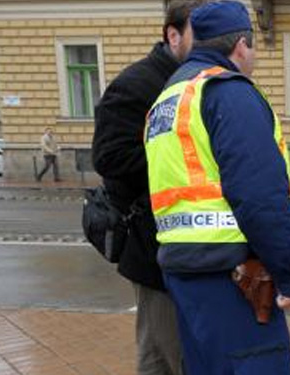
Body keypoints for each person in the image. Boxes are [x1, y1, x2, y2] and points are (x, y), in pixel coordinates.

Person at [144, 2, 290, 374]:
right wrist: (289, 275)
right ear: (241, 47)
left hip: (184, 273)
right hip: (235, 280)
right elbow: (261, 196)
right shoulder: (227, 91)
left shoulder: (168, 98)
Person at [92, 1, 206, 374]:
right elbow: (108, 158)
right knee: (172, 355)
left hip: (184, 248)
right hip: (153, 249)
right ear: (173, 36)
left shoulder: (197, 80)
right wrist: (174, 161)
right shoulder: (136, 84)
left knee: (158, 357)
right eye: (200, 32)